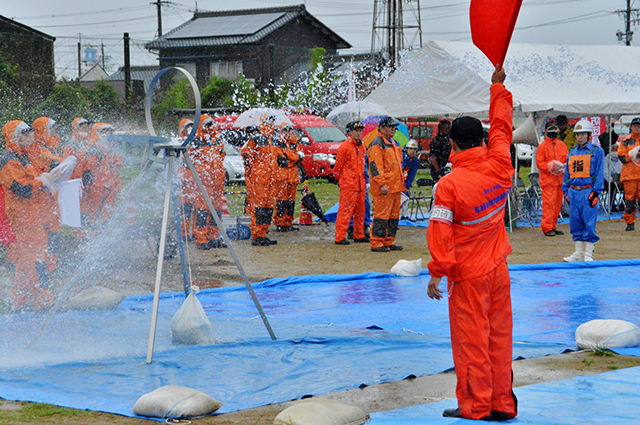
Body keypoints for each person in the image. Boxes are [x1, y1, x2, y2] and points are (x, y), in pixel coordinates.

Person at [426, 65, 518, 422]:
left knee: (472, 341)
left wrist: (437, 272)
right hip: (498, 269)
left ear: (452, 144)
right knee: (499, 337)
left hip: (467, 275)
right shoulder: (501, 163)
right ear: (481, 140)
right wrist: (497, 88)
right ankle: (502, 405)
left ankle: (476, 406)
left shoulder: (449, 185)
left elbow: (440, 233)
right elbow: (503, 126)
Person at [0, 121, 55, 311]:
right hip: (23, 217)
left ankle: (20, 301)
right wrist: (42, 182)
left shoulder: (23, 157)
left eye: (30, 132)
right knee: (37, 257)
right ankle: (44, 300)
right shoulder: (9, 161)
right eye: (24, 133)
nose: (29, 136)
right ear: (14, 137)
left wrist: (48, 176)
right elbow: (22, 188)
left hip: (31, 215)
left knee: (27, 259)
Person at [562, 119, 605, 262]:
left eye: (583, 134)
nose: (580, 137)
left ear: (589, 135)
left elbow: (599, 172)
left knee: (589, 221)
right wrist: (566, 191)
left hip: (588, 191)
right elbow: (567, 172)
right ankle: (578, 252)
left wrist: (596, 192)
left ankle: (588, 254)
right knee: (575, 221)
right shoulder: (572, 151)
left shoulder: (597, 151)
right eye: (577, 134)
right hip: (574, 191)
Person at [367, 116, 404, 252]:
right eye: (390, 127)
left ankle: (388, 241)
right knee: (381, 216)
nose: (393, 129)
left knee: (393, 216)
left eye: (394, 127)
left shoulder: (393, 143)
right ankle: (377, 242)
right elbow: (375, 166)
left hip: (395, 186)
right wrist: (381, 183)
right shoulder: (377, 143)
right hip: (385, 186)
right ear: (382, 128)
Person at [189, 115, 227, 250]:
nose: (209, 126)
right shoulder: (195, 140)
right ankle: (201, 239)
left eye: (210, 124)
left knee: (217, 211)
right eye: (206, 124)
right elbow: (189, 160)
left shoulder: (217, 138)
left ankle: (213, 237)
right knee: (202, 211)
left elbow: (221, 156)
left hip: (217, 181)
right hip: (203, 182)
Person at [77, 123, 123, 230]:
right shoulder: (95, 151)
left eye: (109, 133)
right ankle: (94, 240)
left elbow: (119, 161)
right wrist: (87, 189)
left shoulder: (107, 151)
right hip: (98, 192)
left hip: (107, 191)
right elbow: (87, 172)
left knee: (107, 219)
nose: (108, 136)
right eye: (104, 133)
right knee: (97, 219)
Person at [241, 115, 278, 246]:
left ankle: (263, 233)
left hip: (271, 179)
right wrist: (252, 173)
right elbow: (247, 154)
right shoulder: (257, 138)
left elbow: (275, 157)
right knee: (259, 208)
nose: (271, 124)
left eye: (272, 122)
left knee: (268, 207)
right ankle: (256, 235)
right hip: (260, 178)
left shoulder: (273, 139)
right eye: (269, 121)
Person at [333, 121, 369, 245]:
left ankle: (359, 235)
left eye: (360, 130)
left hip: (360, 184)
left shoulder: (361, 146)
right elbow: (338, 167)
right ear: (350, 132)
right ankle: (340, 236)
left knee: (360, 211)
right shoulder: (345, 146)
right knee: (345, 211)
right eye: (356, 131)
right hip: (349, 184)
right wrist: (341, 180)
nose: (359, 133)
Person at [535, 122, 568, 236]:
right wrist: (551, 166)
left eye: (555, 128)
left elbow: (567, 159)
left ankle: (553, 226)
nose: (553, 131)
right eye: (550, 129)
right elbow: (540, 163)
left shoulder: (562, 145)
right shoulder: (542, 146)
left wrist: (563, 167)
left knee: (558, 205)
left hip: (560, 180)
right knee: (549, 204)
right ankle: (547, 227)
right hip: (548, 181)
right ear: (545, 131)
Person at [273, 124, 303, 232]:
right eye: (285, 130)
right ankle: (279, 222)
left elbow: (300, 157)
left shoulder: (294, 143)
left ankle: (288, 222)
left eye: (289, 130)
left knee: (291, 203)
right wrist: (293, 159)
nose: (288, 133)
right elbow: (281, 161)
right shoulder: (277, 144)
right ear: (281, 132)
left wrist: (289, 156)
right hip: (282, 178)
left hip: (293, 178)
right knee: (281, 202)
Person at [617, 117, 640, 231]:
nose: (637, 128)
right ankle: (630, 223)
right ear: (630, 127)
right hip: (629, 176)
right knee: (629, 201)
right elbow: (622, 158)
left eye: (639, 125)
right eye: (635, 125)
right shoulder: (625, 141)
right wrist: (634, 155)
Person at [178, 119, 196, 240]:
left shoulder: (194, 141)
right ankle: (183, 233)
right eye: (187, 127)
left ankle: (195, 232)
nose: (189, 129)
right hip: (185, 179)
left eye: (191, 127)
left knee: (196, 208)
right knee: (185, 208)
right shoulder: (179, 142)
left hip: (194, 179)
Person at [242, 126, 260, 215]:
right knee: (251, 197)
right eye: (253, 133)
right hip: (251, 176)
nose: (255, 135)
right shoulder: (246, 147)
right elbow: (248, 164)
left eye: (257, 132)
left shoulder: (258, 145)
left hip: (258, 176)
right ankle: (248, 215)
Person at [400, 139, 420, 219]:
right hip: (397, 180)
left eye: (414, 149)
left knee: (406, 194)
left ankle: (403, 215)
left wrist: (407, 186)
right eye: (411, 149)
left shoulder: (415, 161)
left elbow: (412, 174)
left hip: (404, 180)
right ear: (406, 149)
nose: (413, 151)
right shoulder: (400, 157)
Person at [604, 141, 623, 213]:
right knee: (612, 187)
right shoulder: (606, 159)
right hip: (608, 181)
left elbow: (623, 171)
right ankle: (611, 206)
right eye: (614, 150)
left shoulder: (620, 160)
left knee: (628, 187)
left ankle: (623, 205)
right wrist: (611, 180)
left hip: (619, 180)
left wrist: (621, 179)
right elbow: (605, 172)